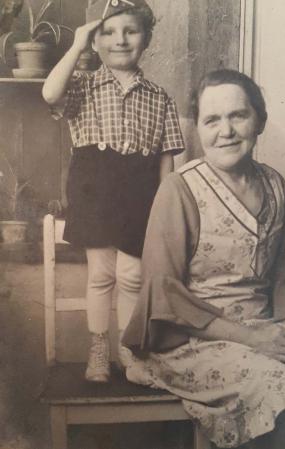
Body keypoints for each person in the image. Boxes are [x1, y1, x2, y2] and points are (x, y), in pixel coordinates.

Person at [122, 69, 285, 449]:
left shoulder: (276, 185)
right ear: (197, 129)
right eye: (212, 120)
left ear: (260, 120)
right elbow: (163, 296)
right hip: (190, 341)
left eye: (238, 116)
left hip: (260, 329)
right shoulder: (180, 190)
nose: (226, 131)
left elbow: (284, 275)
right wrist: (253, 338)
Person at [42, 0, 184, 383]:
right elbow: (49, 95)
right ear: (96, 40)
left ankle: (129, 352)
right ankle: (99, 349)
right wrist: (76, 45)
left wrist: (163, 211)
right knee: (101, 274)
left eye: (131, 31)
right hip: (95, 192)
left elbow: (166, 164)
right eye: (108, 31)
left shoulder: (160, 98)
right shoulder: (83, 85)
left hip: (140, 197)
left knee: (133, 277)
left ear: (147, 39)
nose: (120, 40)